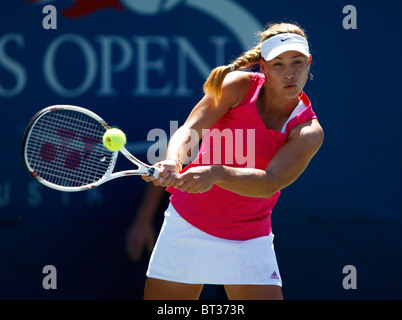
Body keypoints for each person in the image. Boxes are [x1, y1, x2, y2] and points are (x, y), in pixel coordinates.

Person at [142, 22, 324, 300]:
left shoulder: (308, 131)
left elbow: (269, 183)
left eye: (297, 62)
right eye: (278, 64)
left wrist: (215, 174)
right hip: (187, 224)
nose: (289, 73)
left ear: (308, 63)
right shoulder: (238, 86)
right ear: (262, 67)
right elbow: (190, 130)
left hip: (251, 237)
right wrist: (172, 161)